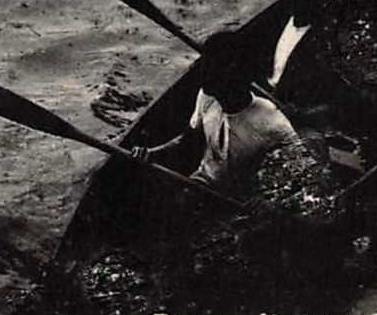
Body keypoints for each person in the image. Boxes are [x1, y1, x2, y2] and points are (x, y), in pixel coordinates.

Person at [131, 31, 328, 204]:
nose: (204, 73)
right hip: (201, 183)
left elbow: (305, 176)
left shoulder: (271, 123)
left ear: (232, 76)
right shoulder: (207, 97)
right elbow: (187, 140)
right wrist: (151, 152)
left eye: (212, 68)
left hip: (235, 201)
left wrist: (263, 203)